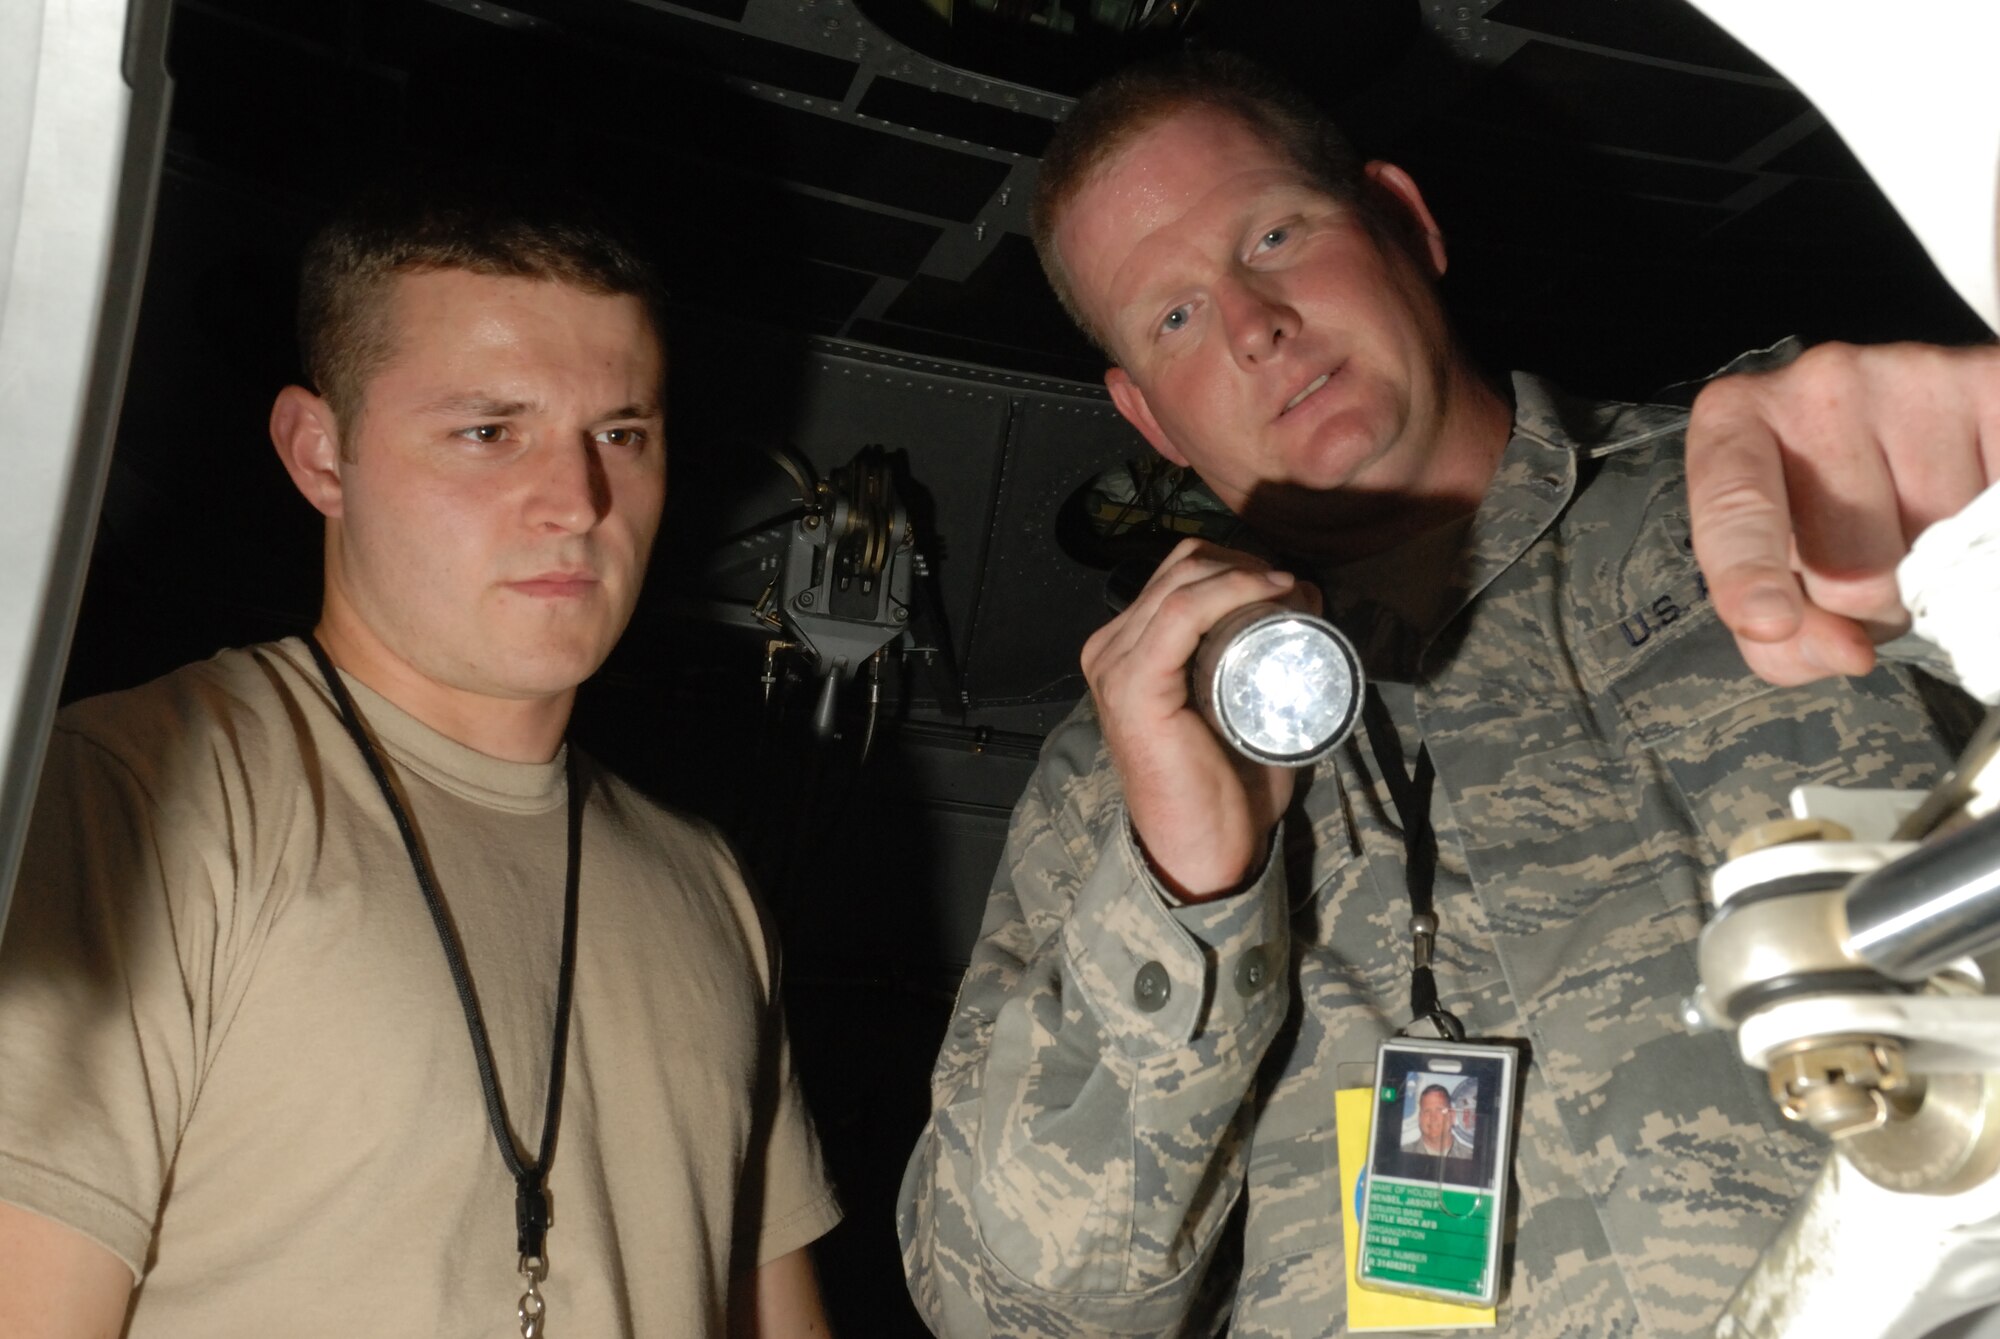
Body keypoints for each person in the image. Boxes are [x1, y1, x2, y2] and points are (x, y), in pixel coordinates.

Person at [898, 50, 1999, 1338]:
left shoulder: (1792, 497)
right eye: (1175, 316)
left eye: (1272, 233)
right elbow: (1002, 1308)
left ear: (1403, 223)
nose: (1252, 322)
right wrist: (1180, 900)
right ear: (1145, 416)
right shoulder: (1124, 774)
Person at [0, 177, 840, 1338]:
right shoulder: (142, 798)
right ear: (320, 453)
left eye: (619, 434)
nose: (576, 500)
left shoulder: (707, 886)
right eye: (489, 430)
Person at [1400, 1086, 1464, 1160]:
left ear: (1452, 1116)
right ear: (1419, 1118)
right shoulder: (1403, 1153)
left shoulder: (1469, 1156)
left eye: (1440, 1110)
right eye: (1427, 1111)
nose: (1433, 1118)